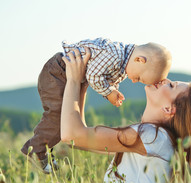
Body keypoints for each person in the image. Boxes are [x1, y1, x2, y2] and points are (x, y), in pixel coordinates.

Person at [60, 48, 191, 183]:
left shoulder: (152, 137)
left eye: (172, 85)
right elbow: (78, 138)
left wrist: (74, 80)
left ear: (169, 109)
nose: (165, 79)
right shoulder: (156, 140)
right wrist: (85, 82)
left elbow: (71, 135)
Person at [21, 37, 172, 173]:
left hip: (64, 74)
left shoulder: (123, 60)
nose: (134, 81)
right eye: (138, 78)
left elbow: (76, 138)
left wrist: (101, 88)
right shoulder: (116, 57)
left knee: (60, 118)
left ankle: (41, 149)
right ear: (140, 59)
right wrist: (108, 92)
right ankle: (37, 150)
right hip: (59, 73)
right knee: (58, 116)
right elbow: (93, 76)